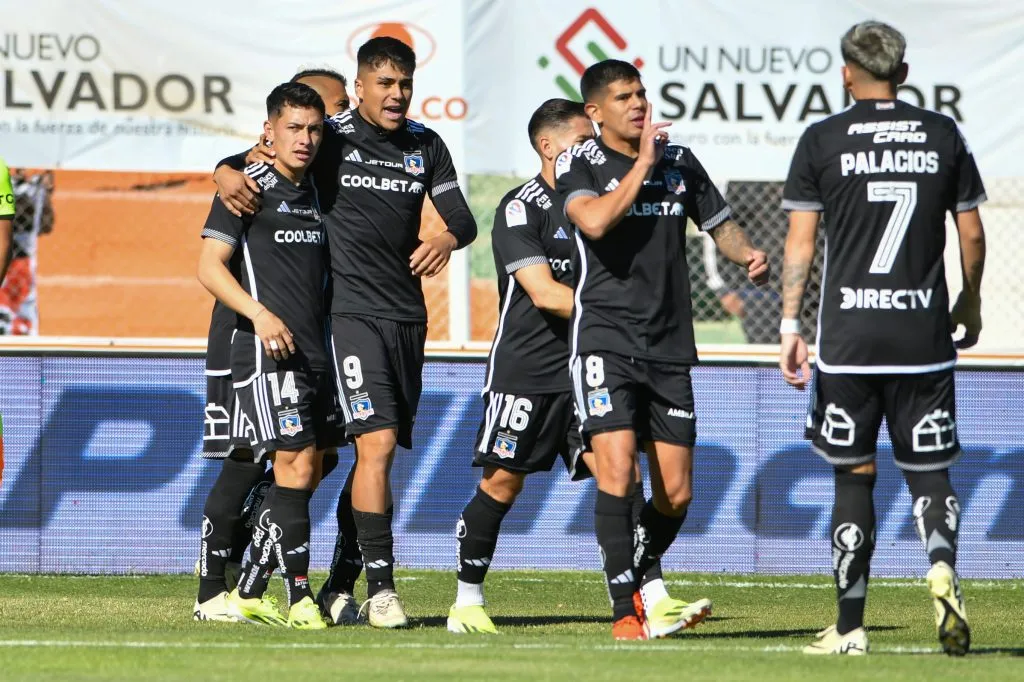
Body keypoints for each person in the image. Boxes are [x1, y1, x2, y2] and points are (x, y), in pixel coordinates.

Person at [214, 37, 477, 628]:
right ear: (359, 88)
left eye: (405, 85)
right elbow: (259, 155)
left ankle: (336, 584)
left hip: (407, 318)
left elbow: (461, 217)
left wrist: (443, 237)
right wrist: (222, 170)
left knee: (363, 459)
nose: (396, 95)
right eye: (384, 84)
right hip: (348, 318)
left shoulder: (424, 144)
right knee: (373, 447)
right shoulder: (332, 136)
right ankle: (382, 590)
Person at [447, 98, 708, 637]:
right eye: (580, 139)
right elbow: (543, 293)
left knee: (623, 477)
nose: (591, 149)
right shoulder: (520, 208)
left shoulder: (605, 201)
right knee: (502, 484)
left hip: (596, 361)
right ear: (547, 147)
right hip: (531, 369)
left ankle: (650, 598)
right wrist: (626, 312)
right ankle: (467, 600)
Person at [779, 21, 986, 656]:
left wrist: (790, 324)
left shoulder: (823, 139)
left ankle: (850, 625)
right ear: (903, 69)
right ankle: (942, 564)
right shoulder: (942, 134)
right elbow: (972, 235)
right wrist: (969, 303)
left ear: (848, 73)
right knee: (929, 474)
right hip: (922, 335)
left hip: (849, 339)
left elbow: (802, 244)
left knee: (854, 478)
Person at [557, 60, 769, 640]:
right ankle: (627, 609)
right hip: (604, 338)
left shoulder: (679, 161)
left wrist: (747, 254)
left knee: (676, 493)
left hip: (670, 344)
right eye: (624, 97)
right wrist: (643, 164)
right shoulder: (582, 161)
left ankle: (635, 572)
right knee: (618, 474)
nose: (638, 104)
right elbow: (595, 223)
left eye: (642, 94)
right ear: (596, 112)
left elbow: (718, 221)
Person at [193, 68, 354, 623]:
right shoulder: (246, 185)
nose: (307, 138)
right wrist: (259, 316)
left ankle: (251, 586)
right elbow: (208, 267)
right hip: (262, 349)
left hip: (318, 352)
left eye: (316, 127)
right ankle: (226, 593)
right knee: (256, 460)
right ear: (270, 130)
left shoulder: (322, 188)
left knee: (314, 461)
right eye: (296, 127)